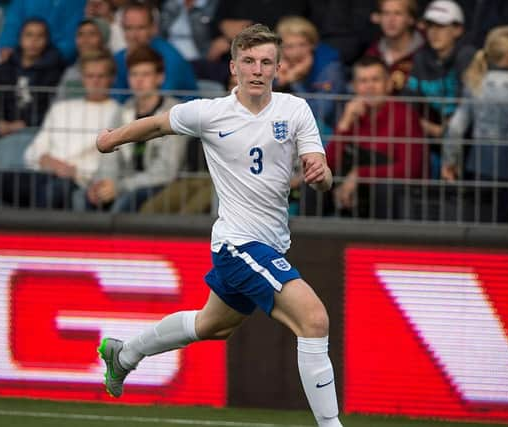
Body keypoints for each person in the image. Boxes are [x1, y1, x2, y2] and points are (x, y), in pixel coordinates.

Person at [95, 24, 343, 427]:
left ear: (278, 68)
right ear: (233, 67)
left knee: (212, 325)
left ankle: (125, 354)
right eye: (249, 61)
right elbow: (158, 124)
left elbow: (322, 170)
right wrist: (112, 139)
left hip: (270, 244)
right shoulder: (210, 113)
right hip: (237, 244)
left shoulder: (295, 110)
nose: (257, 70)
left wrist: (322, 172)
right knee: (314, 320)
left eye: (266, 62)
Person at [0, 51, 121, 210]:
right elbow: (33, 151)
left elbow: (109, 163)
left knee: (52, 191)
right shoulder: (61, 108)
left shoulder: (117, 113)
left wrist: (76, 172)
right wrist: (48, 162)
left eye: (101, 76)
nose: (95, 81)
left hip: (77, 181)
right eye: (90, 76)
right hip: (43, 173)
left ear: (111, 78)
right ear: (82, 78)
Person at [441, 25, 508, 223]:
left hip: (479, 163)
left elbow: (456, 127)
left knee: (479, 220)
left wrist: (450, 160)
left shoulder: (476, 81)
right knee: (504, 220)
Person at [85, 46, 188, 212]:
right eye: (134, 74)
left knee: (125, 203)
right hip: (126, 184)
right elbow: (109, 158)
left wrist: (119, 187)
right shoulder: (123, 110)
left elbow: (166, 170)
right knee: (87, 198)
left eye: (145, 74)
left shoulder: (175, 112)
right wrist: (104, 184)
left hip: (162, 186)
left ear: (159, 78)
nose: (139, 81)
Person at [322, 56, 425, 219]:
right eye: (363, 81)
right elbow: (328, 164)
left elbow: (411, 169)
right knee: (316, 183)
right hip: (351, 188)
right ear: (355, 87)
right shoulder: (351, 114)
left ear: (388, 84)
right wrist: (344, 125)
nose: (369, 87)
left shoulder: (404, 115)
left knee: (383, 187)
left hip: (385, 192)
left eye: (375, 80)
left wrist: (360, 175)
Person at [402, 0, 475, 179]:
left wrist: (445, 131)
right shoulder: (420, 58)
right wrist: (431, 128)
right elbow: (407, 104)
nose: (434, 33)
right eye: (430, 26)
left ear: (458, 30)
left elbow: (468, 107)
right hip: (434, 136)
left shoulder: (468, 56)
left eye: (441, 26)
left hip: (469, 139)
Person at [0, 18, 65, 143]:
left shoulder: (54, 70)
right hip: (2, 127)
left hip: (36, 128)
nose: (34, 40)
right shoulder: (6, 67)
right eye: (29, 35)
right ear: (20, 38)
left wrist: (25, 123)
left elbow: (51, 106)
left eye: (40, 36)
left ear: (47, 40)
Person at [113, 2, 197, 102]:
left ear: (153, 28)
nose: (134, 35)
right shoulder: (118, 58)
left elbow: (162, 100)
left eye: (141, 28)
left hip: (178, 112)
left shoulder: (170, 57)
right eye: (128, 28)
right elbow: (118, 98)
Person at [365, 0, 425, 93]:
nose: (391, 19)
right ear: (379, 18)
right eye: (386, 13)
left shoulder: (426, 52)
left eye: (398, 13)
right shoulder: (373, 53)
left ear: (411, 19)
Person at [55, 18, 111, 101]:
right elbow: (58, 103)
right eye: (80, 34)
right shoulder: (70, 72)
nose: (85, 40)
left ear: (103, 39)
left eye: (92, 34)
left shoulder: (114, 70)